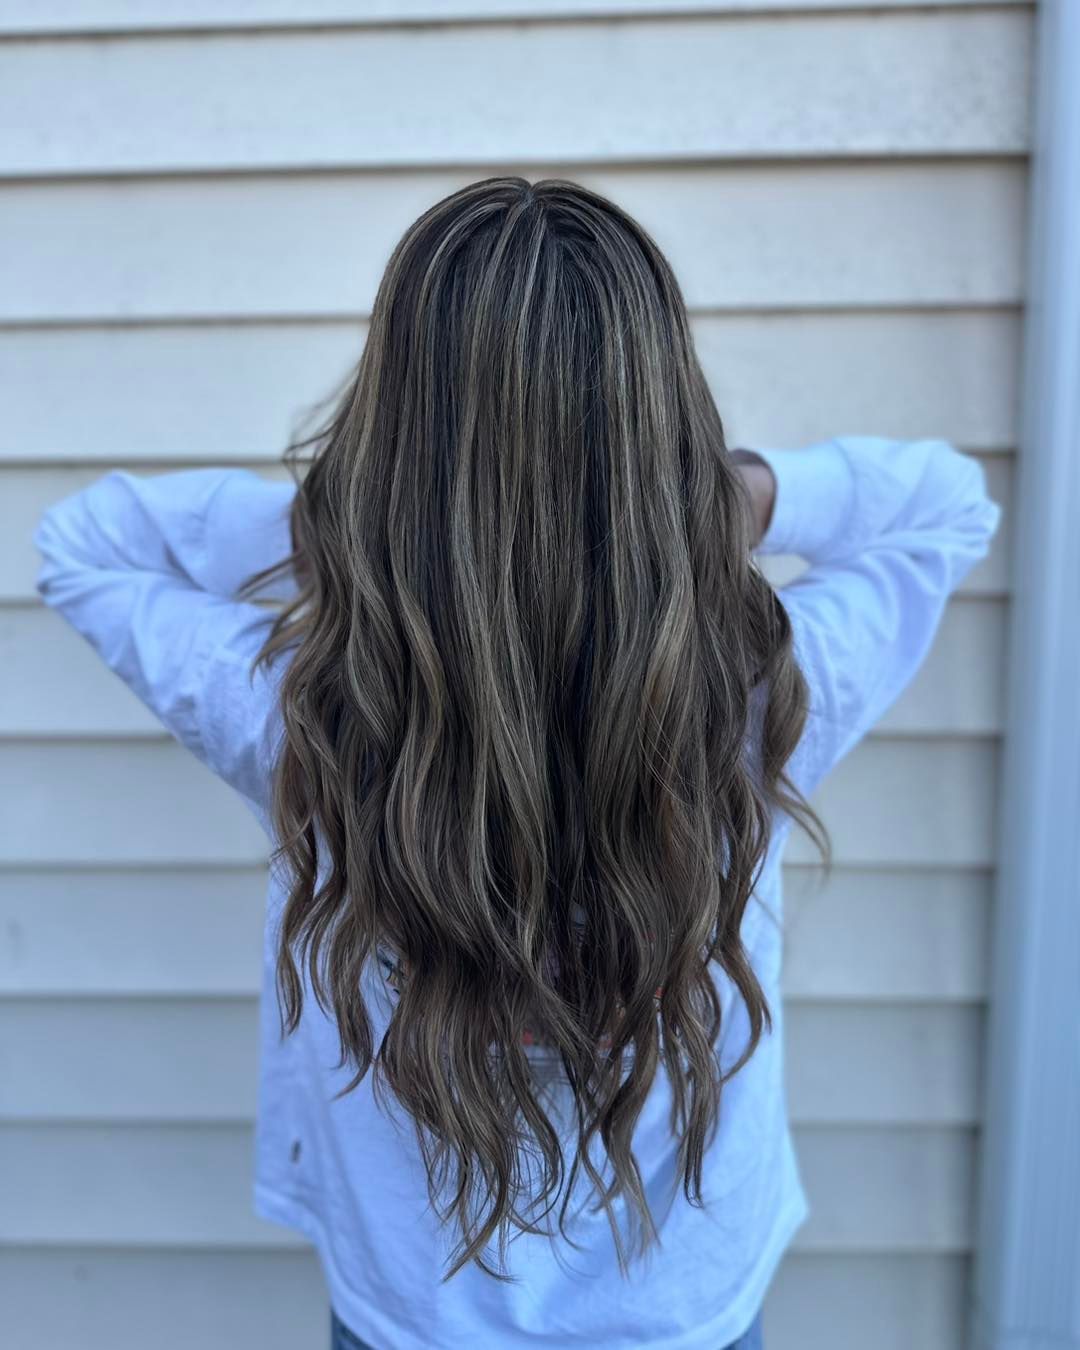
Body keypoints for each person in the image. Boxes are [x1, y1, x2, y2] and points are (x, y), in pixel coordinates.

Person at [32, 177, 1001, 1350]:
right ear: (665, 427)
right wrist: (736, 499)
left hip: (412, 1315)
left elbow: (85, 543)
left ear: (395, 439)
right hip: (685, 1307)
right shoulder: (752, 700)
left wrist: (367, 530)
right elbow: (946, 504)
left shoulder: (309, 716)